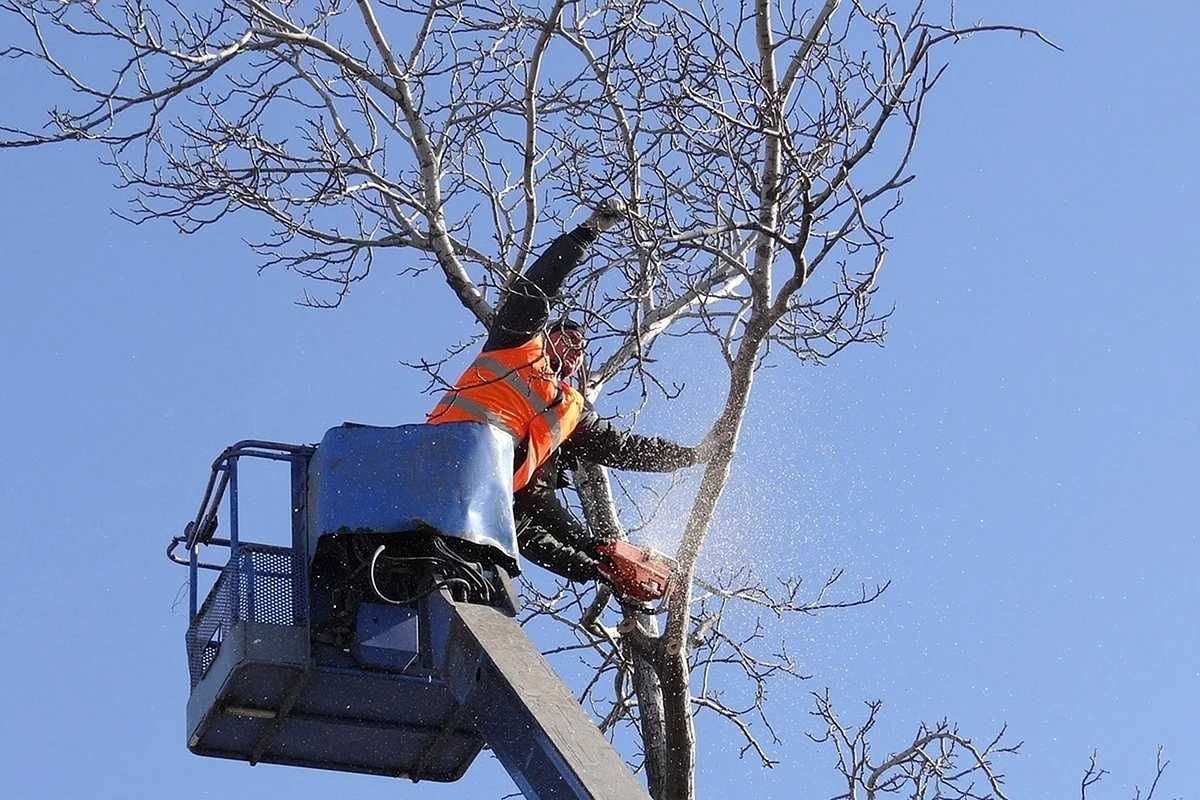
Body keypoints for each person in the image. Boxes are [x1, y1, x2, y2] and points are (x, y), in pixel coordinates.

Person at [427, 199, 714, 583]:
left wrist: (596, 565)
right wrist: (586, 234)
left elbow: (534, 515)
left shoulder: (564, 415)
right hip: (443, 455)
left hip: (473, 499)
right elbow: (539, 285)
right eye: (568, 338)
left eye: (582, 347)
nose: (576, 350)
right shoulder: (516, 345)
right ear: (547, 336)